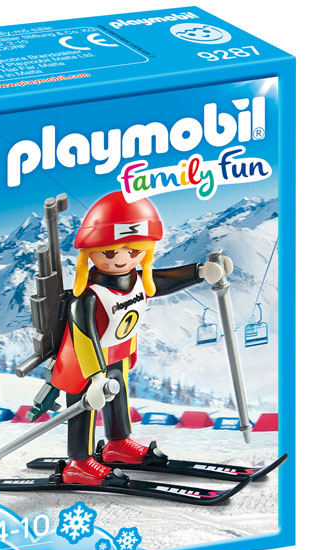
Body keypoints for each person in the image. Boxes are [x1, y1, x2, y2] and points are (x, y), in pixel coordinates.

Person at [50, 191, 231, 485]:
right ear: (90, 253)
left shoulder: (136, 281)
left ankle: (117, 444)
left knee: (118, 396)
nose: (123, 259)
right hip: (85, 363)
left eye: (134, 252)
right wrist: (94, 377)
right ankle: (79, 463)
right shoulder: (87, 298)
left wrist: (199, 272)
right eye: (110, 253)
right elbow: (84, 337)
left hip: (118, 352)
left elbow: (162, 281)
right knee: (85, 407)